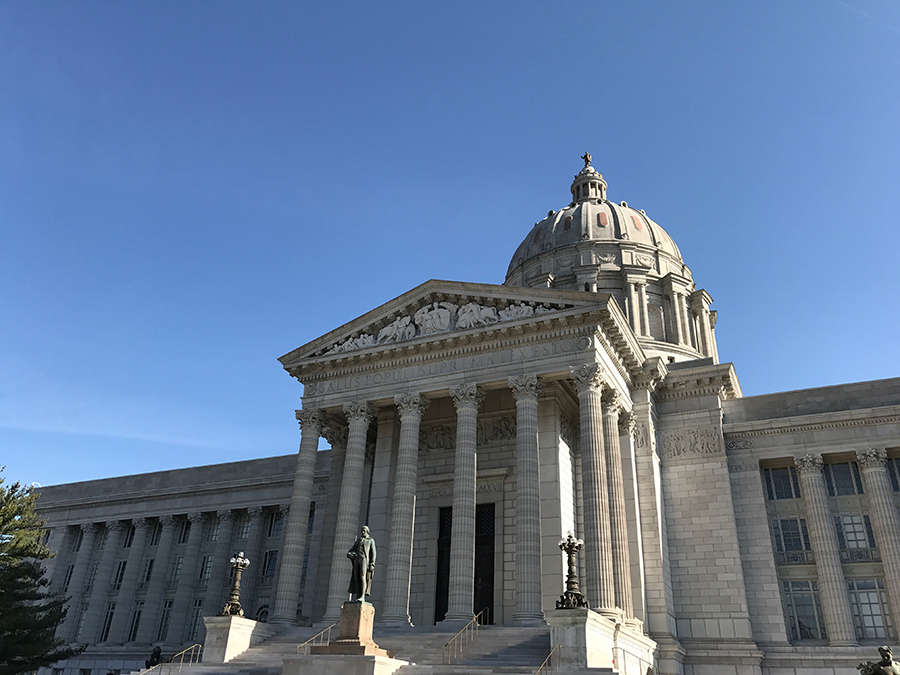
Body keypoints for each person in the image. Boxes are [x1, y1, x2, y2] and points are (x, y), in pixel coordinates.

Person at [347, 525, 376, 601]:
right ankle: (358, 595)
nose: (363, 532)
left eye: (364, 531)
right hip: (357, 560)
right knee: (356, 578)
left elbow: (373, 553)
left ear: (367, 531)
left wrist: (372, 563)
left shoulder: (370, 540)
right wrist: (350, 554)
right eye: (362, 531)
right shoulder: (359, 540)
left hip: (364, 560)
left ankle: (362, 596)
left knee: (363, 577)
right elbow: (351, 550)